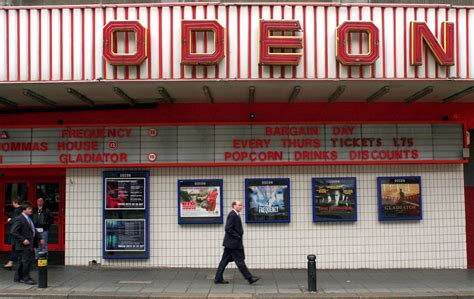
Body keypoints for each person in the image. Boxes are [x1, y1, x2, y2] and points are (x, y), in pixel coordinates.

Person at [214, 200, 260, 284]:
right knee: (240, 261)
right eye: (239, 205)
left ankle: (218, 278)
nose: (240, 207)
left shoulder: (236, 214)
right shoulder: (232, 215)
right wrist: (237, 236)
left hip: (231, 243)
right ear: (234, 206)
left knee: (224, 261)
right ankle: (250, 278)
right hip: (233, 244)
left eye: (241, 205)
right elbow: (228, 228)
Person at [11, 202, 43, 285]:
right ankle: (26, 278)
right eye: (29, 209)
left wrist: (40, 238)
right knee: (27, 262)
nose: (31, 210)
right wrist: (23, 240)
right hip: (23, 245)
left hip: (29, 244)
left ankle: (17, 277)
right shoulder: (19, 218)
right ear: (24, 210)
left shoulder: (28, 218)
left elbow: (33, 229)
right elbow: (14, 231)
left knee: (22, 261)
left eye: (31, 209)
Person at [4, 198, 22, 269]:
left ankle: (11, 262)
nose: (12, 204)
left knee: (15, 247)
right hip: (20, 232)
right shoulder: (22, 210)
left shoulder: (16, 211)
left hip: (16, 232)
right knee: (17, 247)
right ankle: (11, 262)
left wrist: (9, 220)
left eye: (13, 203)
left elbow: (14, 221)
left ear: (15, 202)